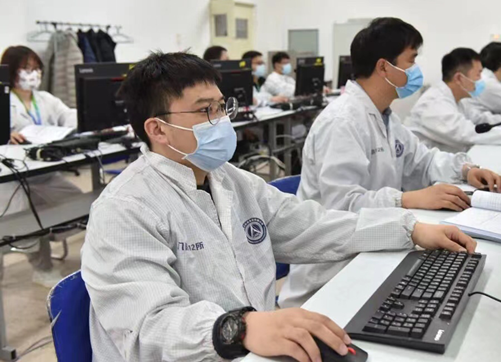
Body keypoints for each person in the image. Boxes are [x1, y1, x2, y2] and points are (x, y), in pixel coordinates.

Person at [80, 51, 477, 362]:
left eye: (221, 107)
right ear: (158, 129)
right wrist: (241, 328)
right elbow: (148, 328)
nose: (221, 121)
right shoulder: (125, 209)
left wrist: (408, 229)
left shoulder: (231, 181)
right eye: (205, 111)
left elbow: (312, 226)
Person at [278, 18, 501, 309]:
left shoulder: (385, 117)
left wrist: (465, 169)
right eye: (411, 60)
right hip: (330, 276)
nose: (416, 70)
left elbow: (423, 161)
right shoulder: (342, 121)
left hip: (374, 248)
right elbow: (342, 205)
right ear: (384, 67)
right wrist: (407, 198)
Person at [0, 46, 81, 287]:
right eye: (26, 68)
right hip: (10, 177)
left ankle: (52, 238)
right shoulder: (3, 100)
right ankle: (42, 267)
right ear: (11, 70)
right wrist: (5, 134)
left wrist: (89, 117)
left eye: (36, 68)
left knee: (78, 203)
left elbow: (69, 115)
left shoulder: (45, 98)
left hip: (43, 173)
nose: (33, 73)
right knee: (25, 220)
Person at [405, 48, 501, 153]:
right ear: (459, 78)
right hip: (425, 180)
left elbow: (481, 120)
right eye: (478, 74)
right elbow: (467, 133)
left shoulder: (458, 99)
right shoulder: (434, 103)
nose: (481, 80)